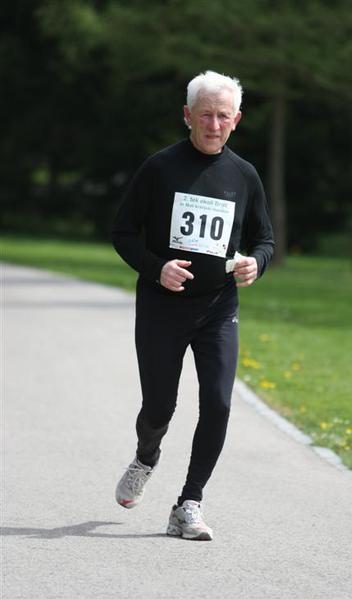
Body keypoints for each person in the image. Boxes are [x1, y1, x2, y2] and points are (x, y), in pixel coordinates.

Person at [112, 70, 274, 541]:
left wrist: (257, 263)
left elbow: (264, 239)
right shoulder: (160, 168)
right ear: (187, 115)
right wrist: (155, 267)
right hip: (162, 307)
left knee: (218, 403)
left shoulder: (244, 175)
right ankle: (146, 456)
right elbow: (123, 232)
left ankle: (189, 503)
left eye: (223, 116)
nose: (214, 125)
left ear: (236, 120)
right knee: (159, 408)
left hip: (218, 308)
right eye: (205, 115)